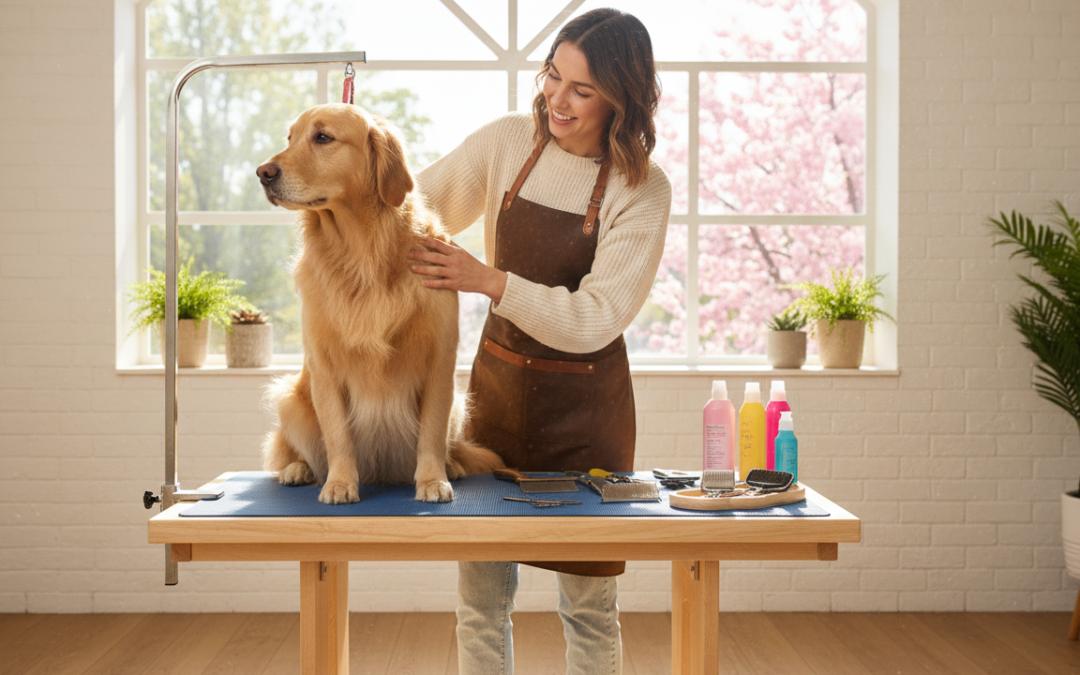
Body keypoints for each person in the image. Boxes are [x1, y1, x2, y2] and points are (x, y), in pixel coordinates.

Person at [408, 8, 671, 675]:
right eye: (553, 75)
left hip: (588, 419)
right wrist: (350, 163)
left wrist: (492, 281)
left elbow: (596, 317)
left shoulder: (641, 189)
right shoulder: (505, 143)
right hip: (492, 404)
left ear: (622, 97)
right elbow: (415, 206)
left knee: (588, 608)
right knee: (481, 603)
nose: (557, 98)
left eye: (581, 90)